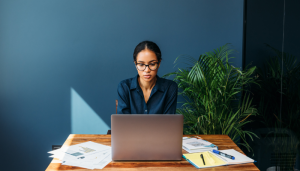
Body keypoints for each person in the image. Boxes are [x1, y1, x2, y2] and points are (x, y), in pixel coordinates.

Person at [117, 40, 178, 114]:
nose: (147, 70)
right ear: (136, 64)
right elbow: (123, 122)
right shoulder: (124, 87)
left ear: (159, 63)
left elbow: (169, 122)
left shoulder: (170, 88)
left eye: (152, 64)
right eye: (141, 64)